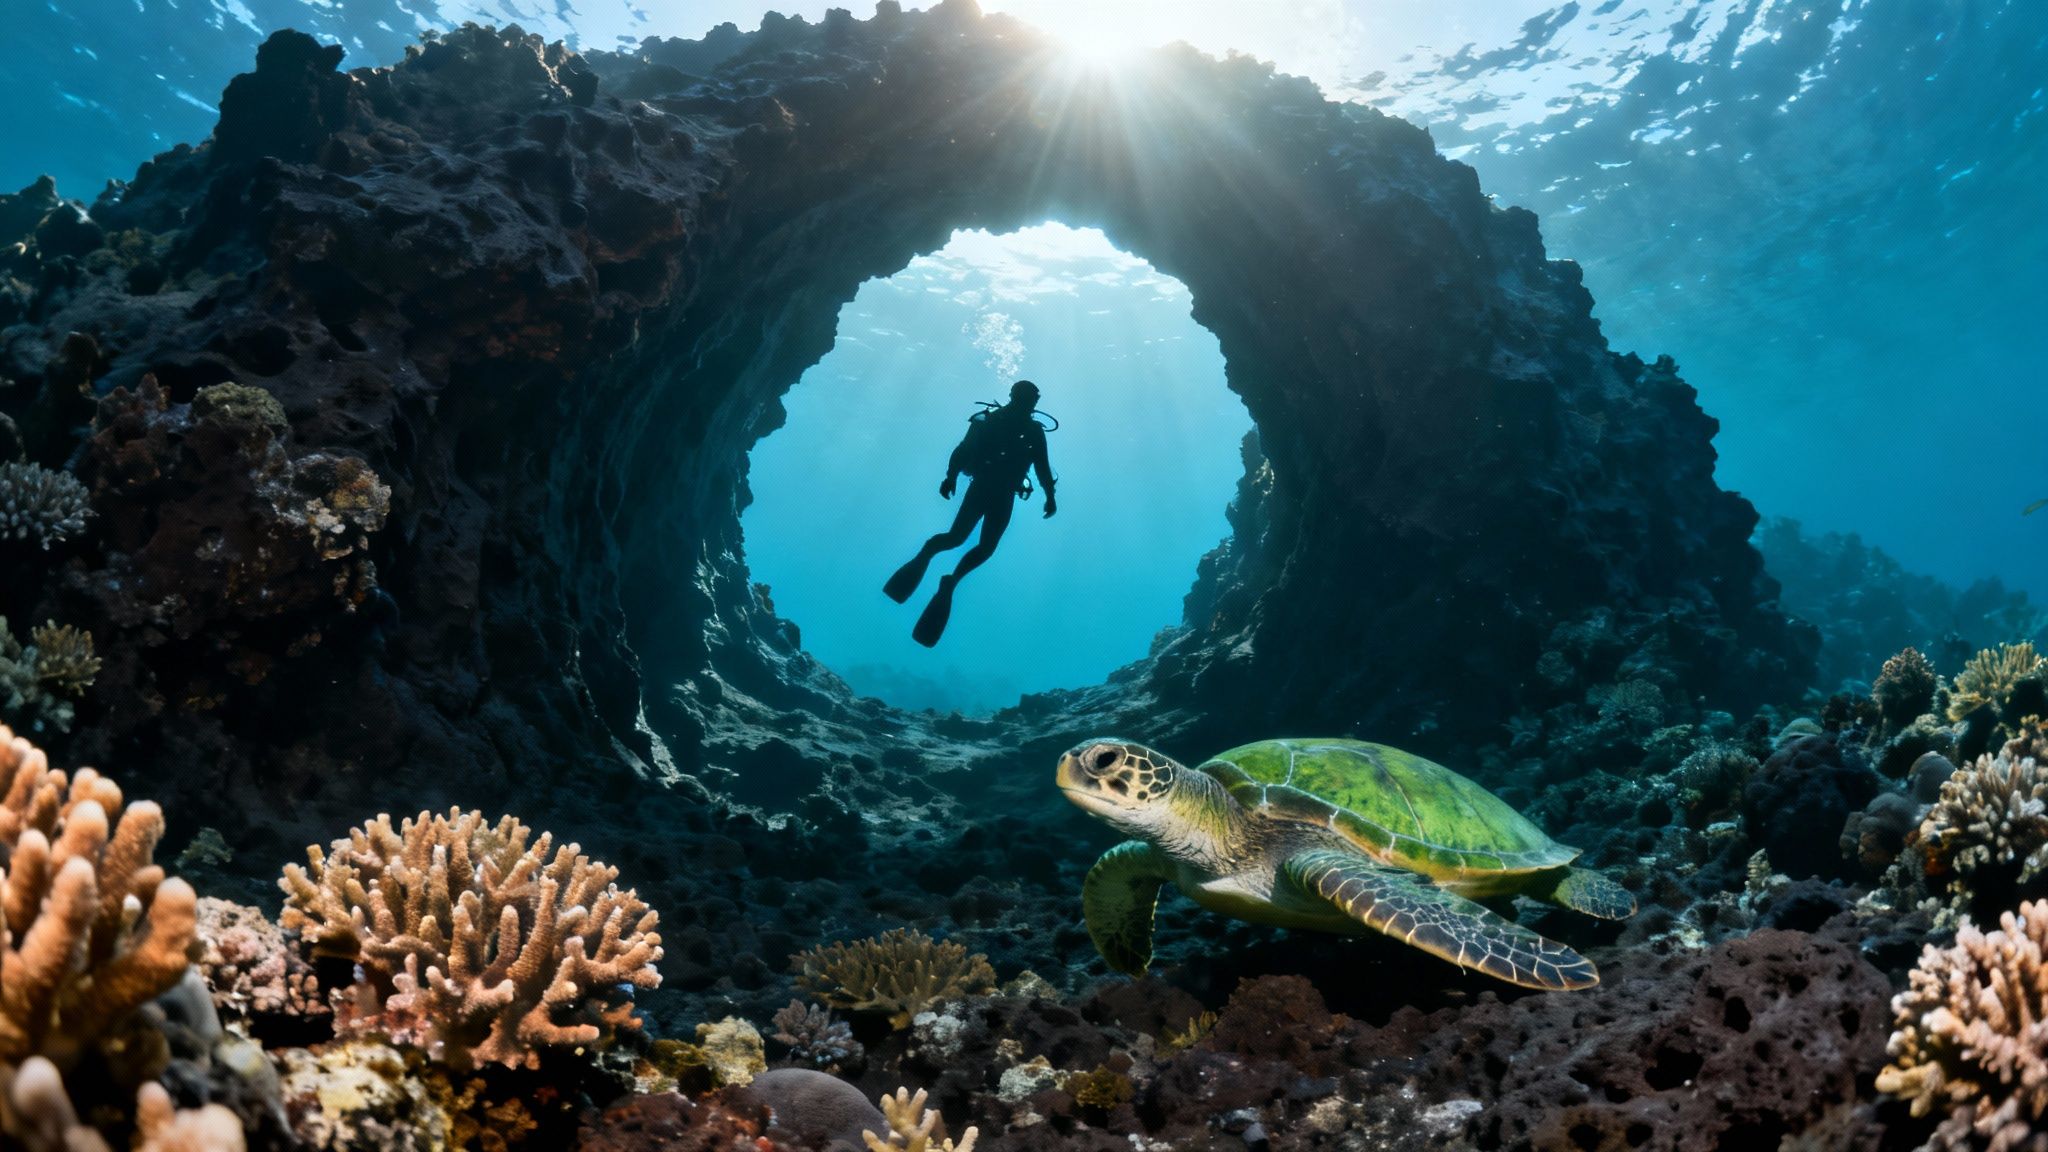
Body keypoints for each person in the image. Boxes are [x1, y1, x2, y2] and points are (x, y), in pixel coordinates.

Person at [885, 380, 1057, 646]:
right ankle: (944, 573)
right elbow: (1041, 467)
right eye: (1031, 398)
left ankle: (939, 566)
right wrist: (1049, 497)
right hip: (995, 491)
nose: (1032, 402)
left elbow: (962, 451)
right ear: (1028, 399)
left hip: (989, 489)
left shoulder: (997, 422)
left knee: (965, 540)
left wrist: (950, 477)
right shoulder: (1024, 428)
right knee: (973, 544)